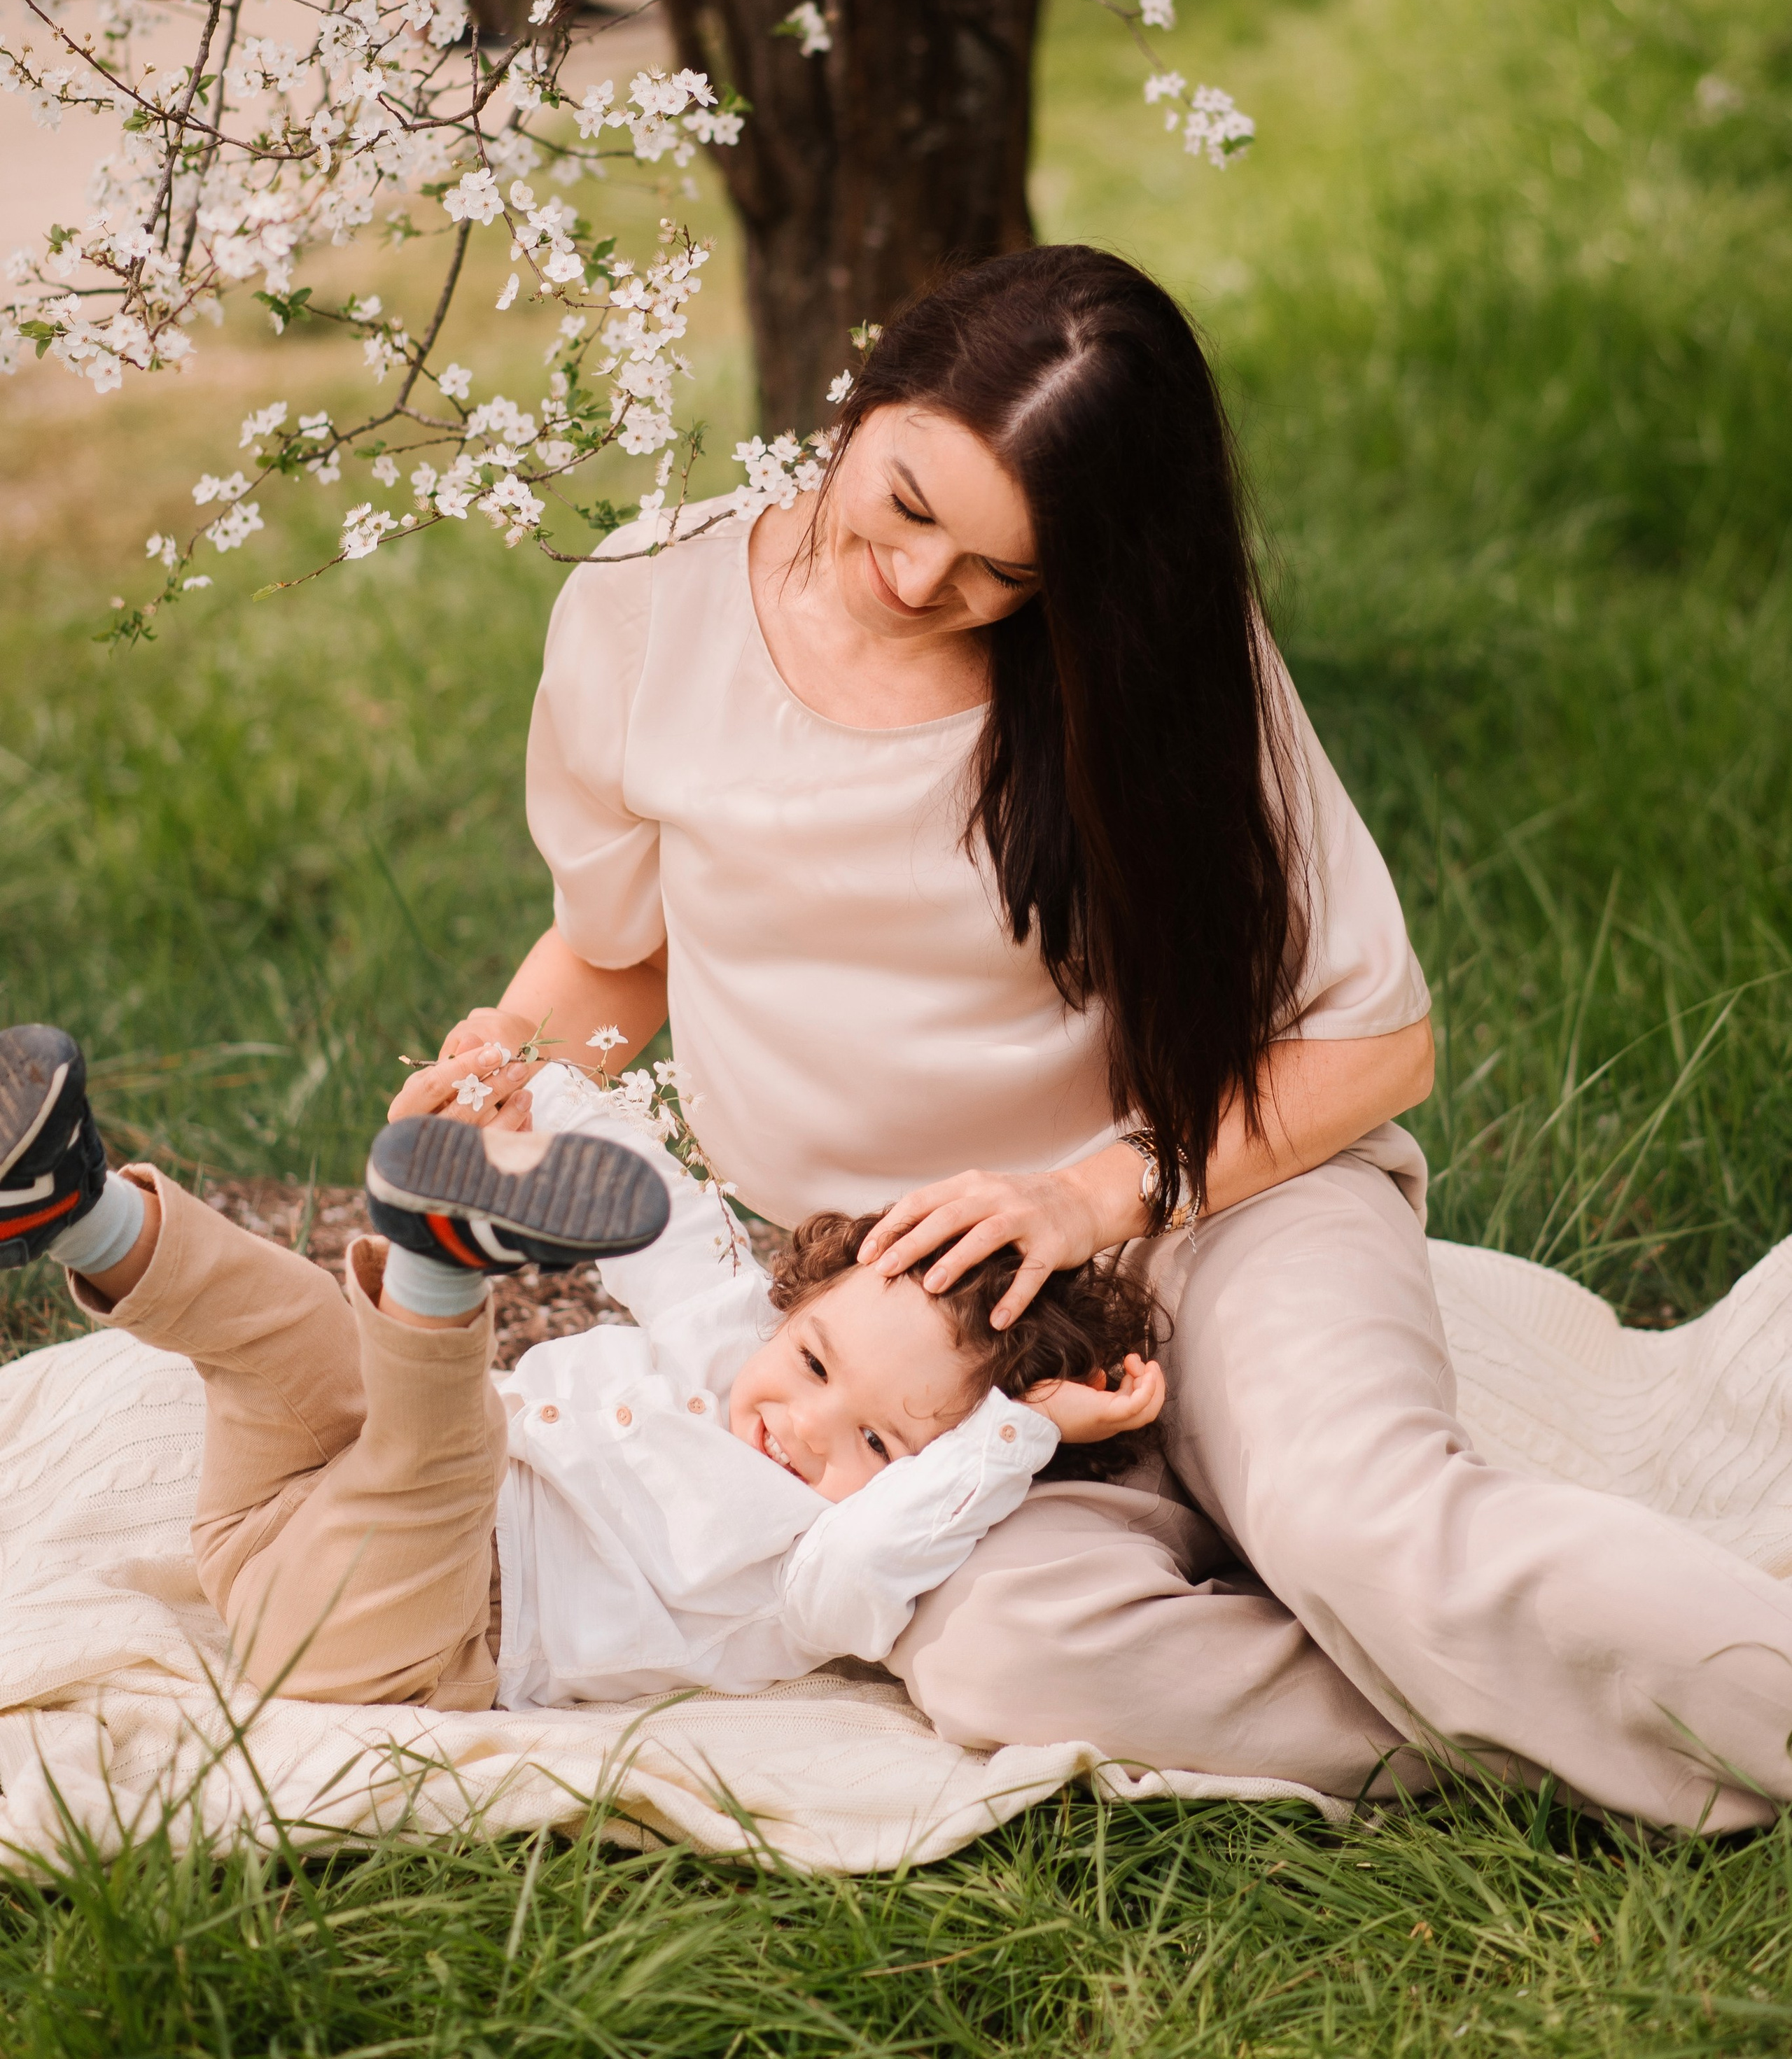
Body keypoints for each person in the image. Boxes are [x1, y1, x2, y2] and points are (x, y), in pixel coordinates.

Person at [383, 242, 1792, 1830]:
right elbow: (610, 950)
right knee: (1002, 1658)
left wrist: (1083, 1196)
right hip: (902, 1340)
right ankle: (1512, 1709)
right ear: (868, 389)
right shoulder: (644, 605)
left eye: (1004, 573)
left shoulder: (1148, 658)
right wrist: (507, 1050)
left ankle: (1646, 1677)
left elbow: (1377, 1045)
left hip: (1205, 1209)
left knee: (1354, 1523)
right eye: (905, 503)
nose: (922, 584)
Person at [1, 1028, 1163, 1709]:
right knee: (293, 1331)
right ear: (796, 1302)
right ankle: (76, 1200)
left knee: (445, 1445)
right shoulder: (731, 1334)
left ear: (925, 1473)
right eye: (813, 1359)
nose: (809, 1422)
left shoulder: (820, 1572)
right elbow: (663, 1221)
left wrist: (1019, 1432)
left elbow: (881, 1540)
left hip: (416, 1632)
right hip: (276, 1517)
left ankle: (442, 1260)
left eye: (877, 1443)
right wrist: (532, 1097)